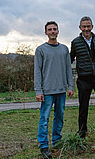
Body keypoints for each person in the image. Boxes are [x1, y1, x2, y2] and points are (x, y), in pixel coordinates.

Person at [34, 21, 74, 158]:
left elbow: (69, 69)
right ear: (46, 32)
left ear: (58, 31)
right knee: (44, 118)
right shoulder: (41, 50)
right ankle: (44, 146)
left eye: (54, 29)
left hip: (61, 90)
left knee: (60, 117)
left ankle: (57, 140)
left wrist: (71, 86)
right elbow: (37, 71)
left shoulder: (64, 49)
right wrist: (38, 90)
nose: (52, 31)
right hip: (46, 91)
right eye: (49, 29)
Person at [70, 16, 95, 138]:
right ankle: (82, 133)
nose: (86, 29)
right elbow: (70, 58)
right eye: (84, 26)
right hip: (84, 80)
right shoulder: (75, 42)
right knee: (83, 107)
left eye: (88, 26)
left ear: (92, 27)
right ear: (80, 27)